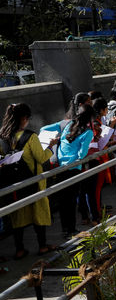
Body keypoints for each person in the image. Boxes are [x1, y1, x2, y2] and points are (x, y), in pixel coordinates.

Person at [0, 103, 59, 258]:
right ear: (24, 118)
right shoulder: (30, 136)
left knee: (18, 216)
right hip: (33, 182)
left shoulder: (3, 137)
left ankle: (19, 249)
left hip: (13, 185)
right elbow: (41, 158)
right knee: (38, 213)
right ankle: (43, 246)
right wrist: (51, 146)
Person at [56, 105, 96, 237]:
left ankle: (64, 229)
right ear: (90, 117)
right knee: (71, 200)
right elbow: (82, 154)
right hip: (74, 168)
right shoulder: (88, 132)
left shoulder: (68, 125)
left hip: (61, 167)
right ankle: (71, 229)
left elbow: (62, 141)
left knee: (63, 201)